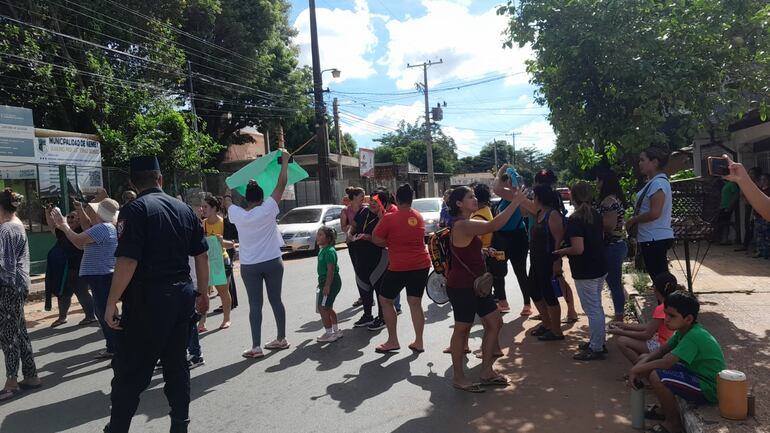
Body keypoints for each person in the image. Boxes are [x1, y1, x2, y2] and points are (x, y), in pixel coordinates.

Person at [100, 156, 209, 433]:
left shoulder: (133, 210)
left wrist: (111, 301)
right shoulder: (185, 209)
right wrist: (203, 293)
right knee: (176, 364)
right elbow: (202, 255)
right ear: (160, 179)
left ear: (133, 183)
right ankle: (180, 425)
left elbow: (127, 261)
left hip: (148, 300)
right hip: (182, 296)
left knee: (130, 370)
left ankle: (118, 427)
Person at [445, 185, 524, 392]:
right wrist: (515, 202)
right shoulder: (463, 224)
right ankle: (459, 377)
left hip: (476, 285)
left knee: (495, 322)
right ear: (459, 203)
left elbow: (467, 248)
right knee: (462, 329)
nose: (474, 199)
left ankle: (487, 371)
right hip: (462, 286)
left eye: (474, 196)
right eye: (469, 197)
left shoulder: (466, 224)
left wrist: (482, 251)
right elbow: (495, 224)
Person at [225, 149, 291, 358]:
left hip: (249, 265)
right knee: (276, 300)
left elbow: (227, 201)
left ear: (246, 199)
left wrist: (229, 186)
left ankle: (256, 347)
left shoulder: (237, 214)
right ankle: (281, 338)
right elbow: (281, 185)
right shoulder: (268, 209)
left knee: (255, 305)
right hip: (273, 261)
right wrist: (285, 163)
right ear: (262, 197)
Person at [628, 291, 725, 433]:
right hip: (696, 374)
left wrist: (636, 370)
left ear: (688, 319)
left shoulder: (694, 336)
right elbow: (661, 351)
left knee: (657, 375)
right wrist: (640, 365)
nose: (666, 319)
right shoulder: (682, 331)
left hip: (709, 387)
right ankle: (664, 410)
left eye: (671, 316)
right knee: (645, 359)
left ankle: (673, 423)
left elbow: (666, 362)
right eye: (666, 314)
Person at [51, 198, 120, 360]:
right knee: (105, 312)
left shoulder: (102, 228)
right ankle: (114, 346)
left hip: (101, 276)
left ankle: (116, 347)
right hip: (102, 275)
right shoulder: (105, 227)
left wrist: (64, 225)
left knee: (105, 313)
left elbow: (77, 240)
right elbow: (83, 236)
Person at [372, 184, 431, 353]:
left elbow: (376, 238)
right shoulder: (418, 216)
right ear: (411, 199)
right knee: (415, 303)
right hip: (421, 264)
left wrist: (389, 242)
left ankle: (393, 341)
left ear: (396, 199)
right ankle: (419, 342)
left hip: (400, 266)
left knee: (385, 300)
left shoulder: (390, 217)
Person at [554, 181, 608, 360]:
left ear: (573, 195)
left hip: (586, 270)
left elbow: (578, 249)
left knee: (592, 308)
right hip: (599, 265)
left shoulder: (576, 219)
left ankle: (597, 347)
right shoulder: (595, 214)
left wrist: (561, 251)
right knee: (596, 306)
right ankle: (597, 341)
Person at [0, 189, 41, 401]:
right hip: (19, 284)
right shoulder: (18, 225)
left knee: (9, 335)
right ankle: (31, 375)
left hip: (8, 286)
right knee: (19, 330)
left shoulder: (5, 229)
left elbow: (4, 265)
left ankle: (11, 382)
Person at [349, 189, 396, 332]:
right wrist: (350, 234)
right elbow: (354, 227)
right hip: (360, 256)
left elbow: (386, 240)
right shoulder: (363, 212)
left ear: (384, 203)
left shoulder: (386, 217)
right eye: (371, 201)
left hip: (379, 258)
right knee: (363, 286)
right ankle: (367, 315)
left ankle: (382, 318)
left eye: (376, 202)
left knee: (379, 288)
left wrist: (369, 237)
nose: (372, 204)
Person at [626, 145, 674, 282]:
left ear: (654, 162)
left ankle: (667, 303)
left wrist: (634, 220)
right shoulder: (654, 182)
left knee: (660, 280)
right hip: (652, 238)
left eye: (642, 160)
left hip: (654, 238)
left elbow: (654, 213)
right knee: (659, 278)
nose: (639, 163)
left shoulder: (658, 183)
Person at [610, 272, 678, 364]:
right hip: (669, 343)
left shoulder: (661, 308)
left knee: (622, 341)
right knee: (634, 339)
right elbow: (649, 327)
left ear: (655, 289)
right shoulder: (675, 305)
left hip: (662, 345)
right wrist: (624, 325)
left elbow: (646, 334)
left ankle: (640, 370)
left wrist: (621, 332)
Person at [44, 208, 97, 327]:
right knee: (63, 294)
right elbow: (52, 226)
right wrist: (47, 212)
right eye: (68, 217)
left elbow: (86, 223)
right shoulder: (63, 231)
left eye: (73, 217)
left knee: (81, 291)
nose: (70, 219)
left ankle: (90, 316)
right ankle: (62, 317)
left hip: (78, 268)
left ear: (79, 220)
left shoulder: (83, 231)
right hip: (63, 270)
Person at [527, 184, 566, 341]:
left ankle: (556, 331)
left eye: (533, 196)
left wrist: (556, 262)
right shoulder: (539, 213)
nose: (532, 198)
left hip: (548, 261)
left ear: (538, 198)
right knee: (534, 290)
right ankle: (547, 323)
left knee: (549, 294)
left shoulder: (553, 214)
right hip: (536, 260)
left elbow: (559, 240)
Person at [491, 165, 531, 315]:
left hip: (516, 237)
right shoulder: (506, 197)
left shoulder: (513, 194)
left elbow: (496, 188)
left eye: (506, 180)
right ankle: (503, 301)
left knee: (520, 271)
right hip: (501, 238)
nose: (503, 182)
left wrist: (502, 170)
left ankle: (526, 303)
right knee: (498, 270)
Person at [596, 169, 628, 321]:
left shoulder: (608, 201)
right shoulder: (614, 198)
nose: (597, 184)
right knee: (614, 282)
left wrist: (592, 222)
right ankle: (619, 314)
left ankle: (619, 316)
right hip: (616, 245)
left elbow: (609, 225)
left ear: (604, 182)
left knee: (614, 282)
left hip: (612, 246)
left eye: (598, 180)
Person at [199, 195, 234, 331]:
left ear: (214, 208)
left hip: (221, 260)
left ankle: (227, 319)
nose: (202, 209)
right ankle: (202, 322)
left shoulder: (224, 223)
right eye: (202, 206)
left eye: (205, 206)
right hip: (206, 261)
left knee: (223, 291)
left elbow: (232, 244)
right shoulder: (203, 224)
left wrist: (221, 241)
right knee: (204, 292)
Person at [342, 187, 367, 313]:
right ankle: (363, 296)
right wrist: (353, 228)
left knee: (369, 270)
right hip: (353, 243)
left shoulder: (366, 208)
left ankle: (369, 296)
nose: (363, 198)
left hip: (367, 242)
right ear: (354, 197)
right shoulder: (346, 211)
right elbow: (343, 227)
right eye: (361, 196)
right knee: (358, 270)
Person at [315, 226, 342, 343]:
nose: (318, 237)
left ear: (329, 238)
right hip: (325, 282)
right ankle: (336, 331)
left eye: (321, 235)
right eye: (318, 234)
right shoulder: (323, 250)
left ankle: (329, 333)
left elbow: (330, 271)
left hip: (330, 282)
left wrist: (327, 286)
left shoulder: (330, 251)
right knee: (328, 306)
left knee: (323, 307)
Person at [736, 167, 762, 252]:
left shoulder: (757, 184)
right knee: (748, 226)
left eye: (752, 173)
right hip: (748, 207)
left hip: (756, 207)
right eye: (749, 173)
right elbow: (742, 194)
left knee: (754, 227)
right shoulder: (747, 183)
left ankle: (756, 247)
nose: (750, 175)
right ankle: (747, 245)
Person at [713, 180, 740, 245]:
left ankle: (726, 239)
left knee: (725, 223)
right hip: (723, 206)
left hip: (727, 206)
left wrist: (730, 205)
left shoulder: (732, 184)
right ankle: (723, 239)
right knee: (723, 223)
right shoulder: (725, 185)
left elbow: (736, 195)